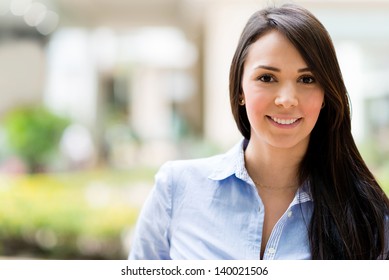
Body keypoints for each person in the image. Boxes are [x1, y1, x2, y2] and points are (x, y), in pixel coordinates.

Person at [129, 3, 389, 260]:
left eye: (307, 79)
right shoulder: (176, 189)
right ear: (240, 89)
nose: (287, 99)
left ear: (325, 95)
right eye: (267, 78)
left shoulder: (367, 215)